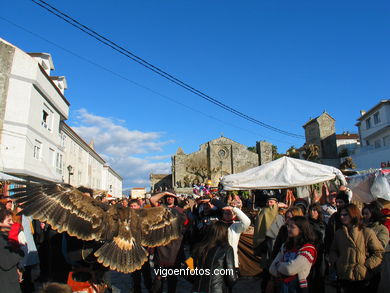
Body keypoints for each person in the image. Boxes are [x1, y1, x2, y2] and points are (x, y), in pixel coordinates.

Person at [329, 204, 384, 293]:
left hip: (363, 278)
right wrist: (336, 263)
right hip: (344, 277)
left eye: (345, 214)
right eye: (341, 215)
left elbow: (379, 252)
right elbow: (333, 250)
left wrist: (366, 266)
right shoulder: (339, 233)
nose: (342, 217)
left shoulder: (367, 232)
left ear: (353, 214)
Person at [269, 216, 317, 293]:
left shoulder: (308, 249)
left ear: (301, 230)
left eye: (292, 227)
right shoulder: (285, 246)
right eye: (288, 226)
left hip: (297, 288)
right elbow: (271, 269)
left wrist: (278, 265)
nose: (288, 229)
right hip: (281, 286)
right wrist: (284, 267)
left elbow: (290, 269)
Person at [192, 221, 238, 293]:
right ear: (225, 233)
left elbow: (188, 268)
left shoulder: (199, 247)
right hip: (216, 289)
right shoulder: (226, 249)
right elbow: (231, 278)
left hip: (197, 288)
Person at [361, 202, 389, 292]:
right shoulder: (360, 227)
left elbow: (381, 246)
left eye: (367, 214)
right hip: (359, 264)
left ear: (373, 214)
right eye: (363, 214)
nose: (364, 216)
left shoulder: (382, 229)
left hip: (374, 266)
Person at [0, 209, 24, 293]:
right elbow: (6, 263)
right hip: (6, 286)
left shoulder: (5, 238)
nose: (12, 223)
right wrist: (20, 251)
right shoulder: (1, 240)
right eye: (8, 221)